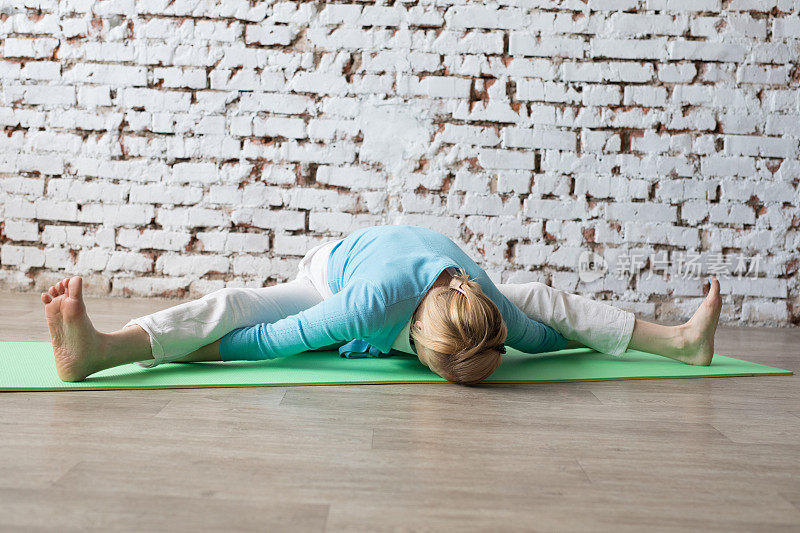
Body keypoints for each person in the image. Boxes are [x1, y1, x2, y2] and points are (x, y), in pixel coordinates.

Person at [41, 224, 722, 385]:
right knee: (241, 302)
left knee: (543, 298)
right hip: (330, 274)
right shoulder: (365, 306)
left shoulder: (491, 306)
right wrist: (209, 348)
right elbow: (270, 339)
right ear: (411, 338)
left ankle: (680, 340)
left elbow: (545, 333)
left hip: (435, 296)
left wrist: (565, 339)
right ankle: (105, 348)